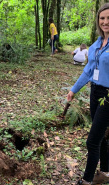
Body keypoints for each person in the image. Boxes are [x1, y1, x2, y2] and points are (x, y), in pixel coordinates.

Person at [67, 3, 109, 185]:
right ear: (98, 21)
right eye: (102, 18)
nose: (105, 22)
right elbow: (88, 71)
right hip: (95, 91)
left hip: (108, 96)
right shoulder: (97, 45)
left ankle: (87, 181)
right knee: (101, 137)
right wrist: (73, 90)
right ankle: (106, 173)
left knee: (92, 141)